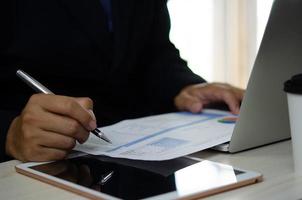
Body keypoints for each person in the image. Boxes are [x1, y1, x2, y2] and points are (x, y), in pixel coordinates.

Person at [0, 0, 243, 162]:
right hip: (40, 166)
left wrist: (185, 86)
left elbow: (153, 50)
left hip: (145, 164)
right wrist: (9, 133)